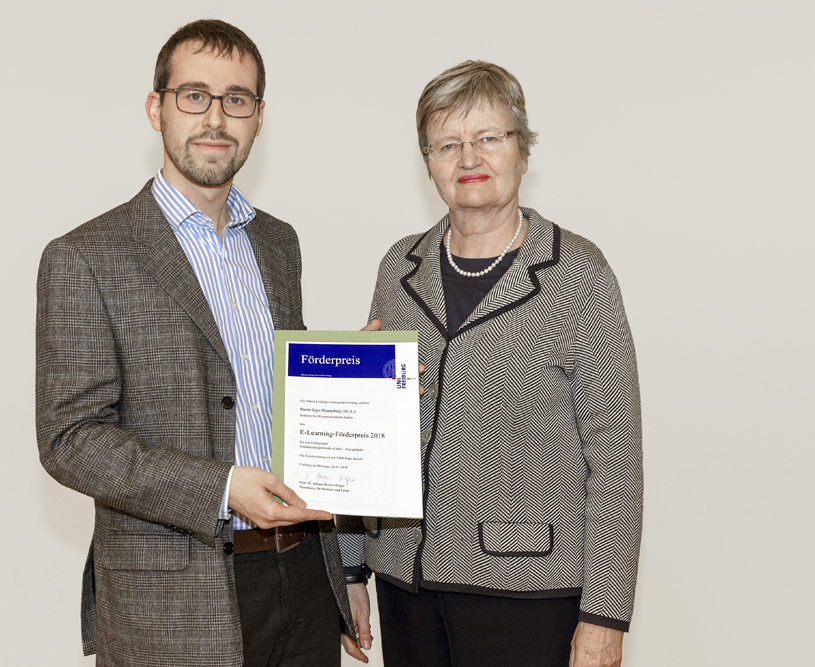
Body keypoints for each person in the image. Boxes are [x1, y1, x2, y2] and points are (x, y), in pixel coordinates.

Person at [36, 19, 356, 667]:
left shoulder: (279, 243)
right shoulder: (86, 256)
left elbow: (272, 396)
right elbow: (70, 439)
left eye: (236, 99)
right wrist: (221, 487)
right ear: (156, 108)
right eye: (194, 96)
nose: (215, 117)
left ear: (259, 118)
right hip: (173, 604)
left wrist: (361, 376)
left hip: (303, 580)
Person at [340, 61, 643, 667]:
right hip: (404, 580)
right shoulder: (398, 268)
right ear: (428, 162)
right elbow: (365, 432)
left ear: (523, 151)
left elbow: (615, 456)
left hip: (527, 588)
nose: (469, 158)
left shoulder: (578, 273)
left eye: (488, 137)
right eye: (447, 144)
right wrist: (350, 568)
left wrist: (605, 615)